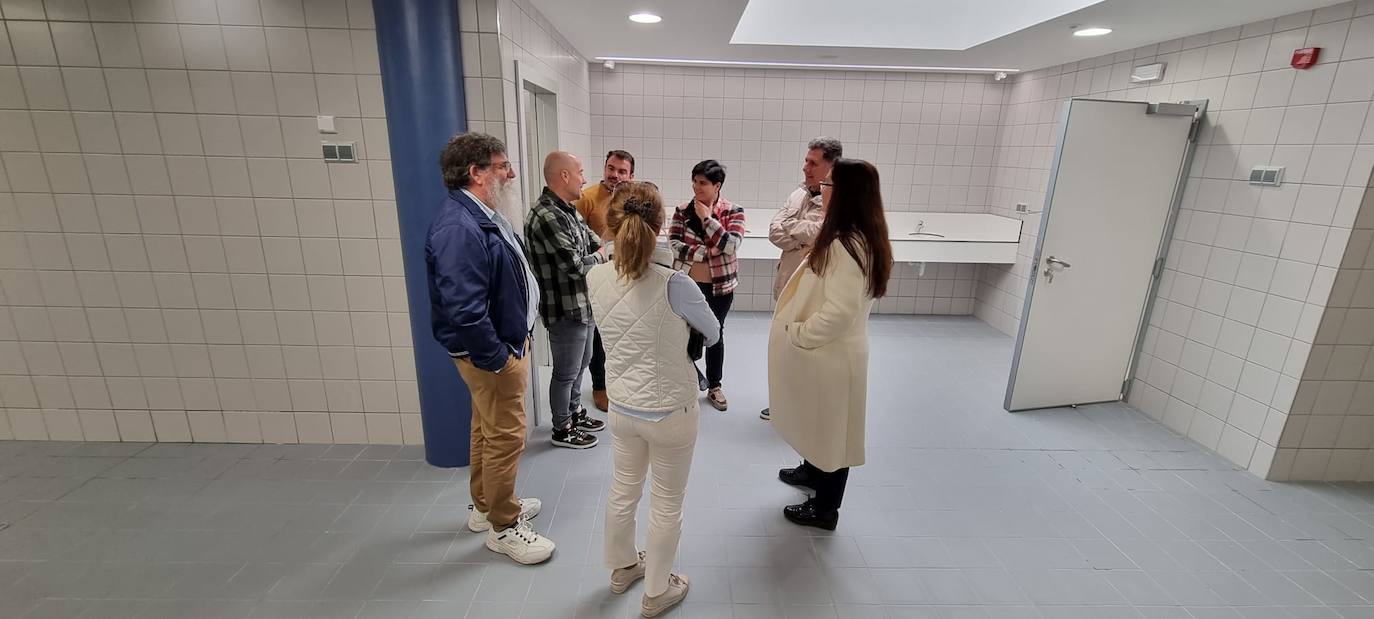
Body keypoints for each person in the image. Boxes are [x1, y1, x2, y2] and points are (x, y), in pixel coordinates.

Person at [590, 181, 719, 618]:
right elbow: (713, 332)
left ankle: (623, 567)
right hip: (670, 412)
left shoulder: (594, 276)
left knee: (623, 488)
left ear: (611, 222)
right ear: (660, 224)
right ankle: (657, 591)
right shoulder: (675, 283)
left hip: (622, 406)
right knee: (666, 501)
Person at [426, 132, 554, 564]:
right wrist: (497, 358)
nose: (511, 174)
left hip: (501, 345)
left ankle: (486, 507)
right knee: (505, 437)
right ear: (475, 173)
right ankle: (504, 526)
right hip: (493, 354)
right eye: (502, 166)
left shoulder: (480, 215)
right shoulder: (458, 228)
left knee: (486, 429)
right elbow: (464, 307)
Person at [769, 158, 893, 531]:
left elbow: (839, 313)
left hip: (831, 353)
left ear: (845, 194)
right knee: (818, 422)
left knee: (832, 433)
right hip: (829, 354)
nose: (821, 188)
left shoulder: (847, 245)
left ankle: (825, 510)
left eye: (828, 184)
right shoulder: (850, 235)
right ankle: (812, 472)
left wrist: (801, 333)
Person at [524, 151, 609, 449]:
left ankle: (573, 412)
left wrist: (601, 248)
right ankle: (562, 428)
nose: (584, 179)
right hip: (565, 309)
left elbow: (593, 241)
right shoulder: (546, 216)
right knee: (565, 373)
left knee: (581, 364)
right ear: (564, 176)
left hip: (583, 305)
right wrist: (602, 254)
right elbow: (575, 266)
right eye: (580, 172)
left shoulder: (568, 210)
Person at [760, 137, 843, 421]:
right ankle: (784, 404)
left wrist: (793, 230)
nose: (805, 167)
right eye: (806, 161)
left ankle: (805, 408)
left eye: (813, 163)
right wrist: (800, 240)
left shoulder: (838, 200)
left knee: (808, 351)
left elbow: (821, 233)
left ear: (831, 166)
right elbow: (774, 230)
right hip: (787, 282)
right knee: (784, 350)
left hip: (812, 288)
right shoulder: (798, 194)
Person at [669, 159, 745, 412]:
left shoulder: (734, 211)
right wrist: (708, 252)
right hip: (687, 284)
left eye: (702, 183)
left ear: (717, 185)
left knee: (715, 334)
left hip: (720, 287)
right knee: (682, 333)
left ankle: (714, 385)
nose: (696, 187)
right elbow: (675, 245)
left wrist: (707, 219)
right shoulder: (682, 211)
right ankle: (685, 383)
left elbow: (731, 245)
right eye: (694, 181)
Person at [577, 150, 637, 412]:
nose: (615, 175)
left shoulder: (636, 197)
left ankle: (622, 383)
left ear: (631, 175)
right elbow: (580, 241)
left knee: (625, 334)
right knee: (599, 337)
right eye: (611, 168)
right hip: (599, 277)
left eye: (622, 171)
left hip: (630, 276)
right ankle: (599, 386)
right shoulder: (587, 198)